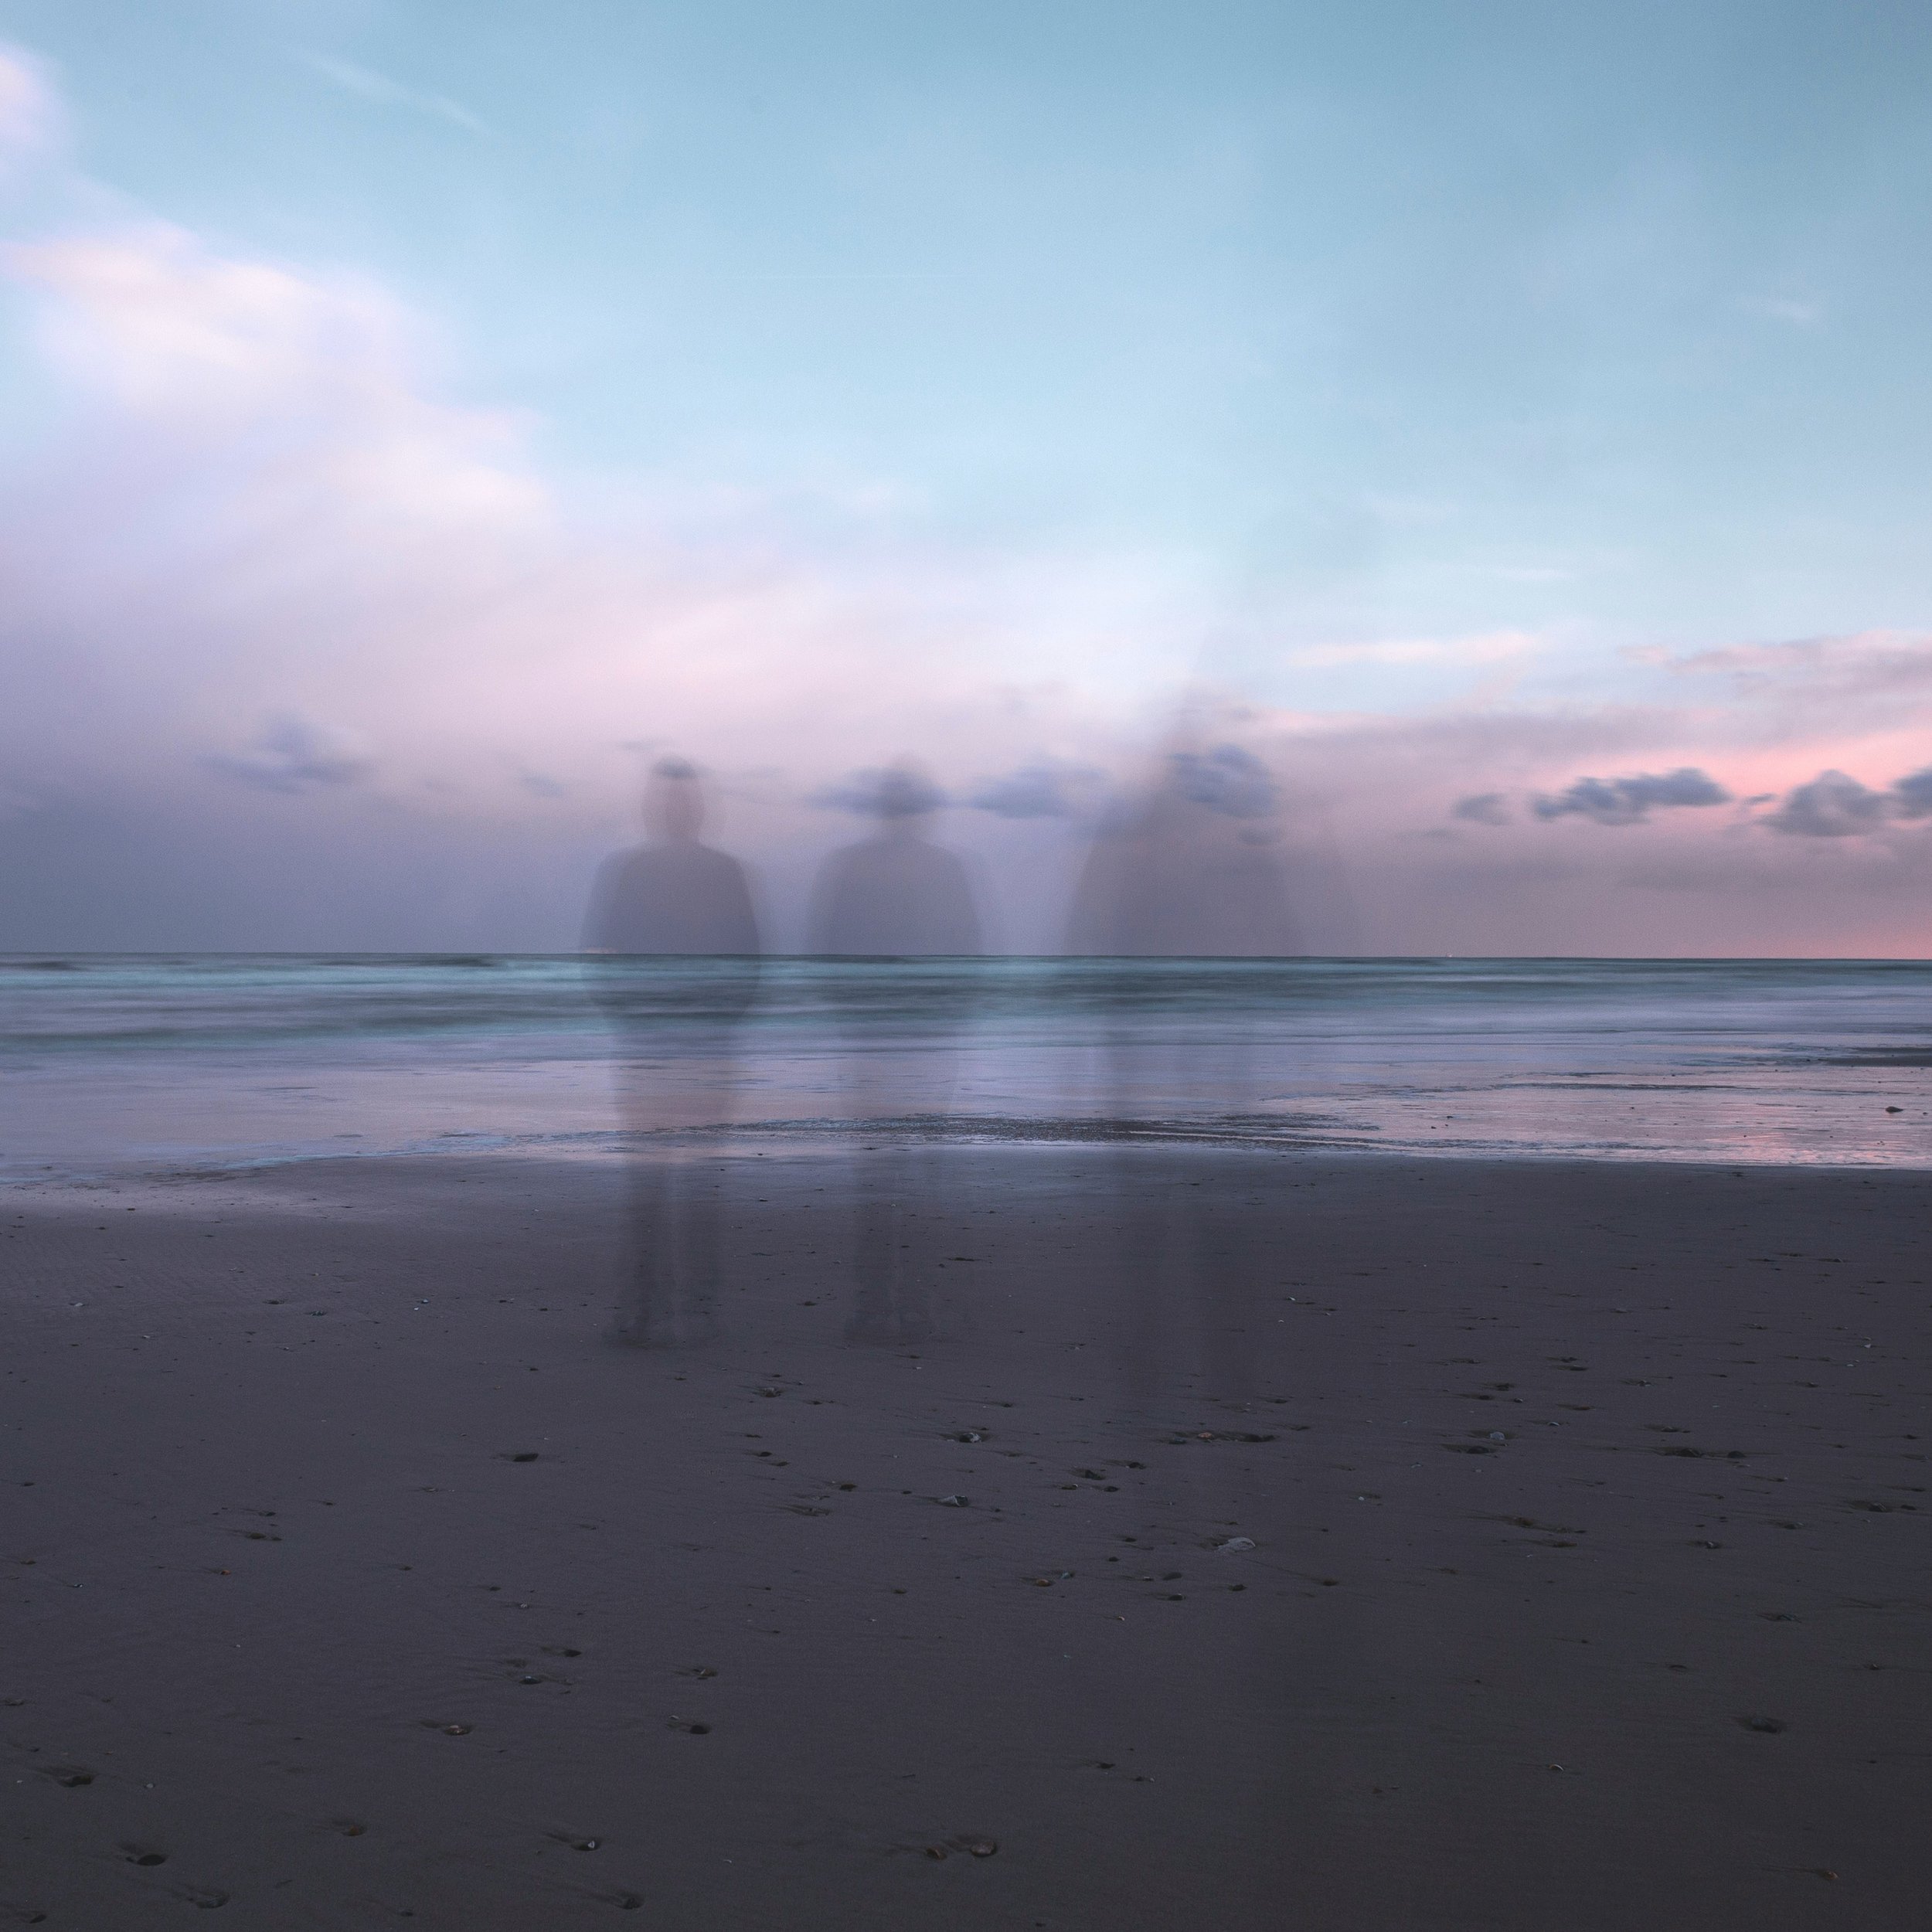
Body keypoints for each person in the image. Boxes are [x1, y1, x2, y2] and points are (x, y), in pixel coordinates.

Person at [583, 759, 760, 1345]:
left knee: (679, 1182)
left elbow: (748, 959)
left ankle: (672, 1307)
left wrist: (700, 1020)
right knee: (660, 1183)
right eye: (673, 801)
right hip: (664, 1044)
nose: (678, 811)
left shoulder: (700, 871)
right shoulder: (642, 870)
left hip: (685, 1044)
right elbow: (602, 955)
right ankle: (661, 1306)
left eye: (681, 801)